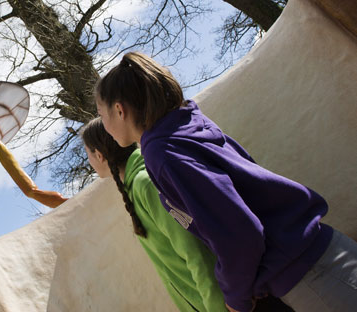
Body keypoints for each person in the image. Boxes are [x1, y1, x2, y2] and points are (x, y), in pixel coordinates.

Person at [94, 51, 357, 312]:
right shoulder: (184, 126)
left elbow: (238, 234)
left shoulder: (162, 154)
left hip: (310, 275)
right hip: (319, 256)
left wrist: (235, 299)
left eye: (101, 114)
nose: (103, 125)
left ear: (119, 110)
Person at [81, 117, 228, 311]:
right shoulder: (137, 187)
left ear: (99, 155)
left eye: (88, 155)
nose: (90, 162)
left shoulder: (146, 184)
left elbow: (197, 252)